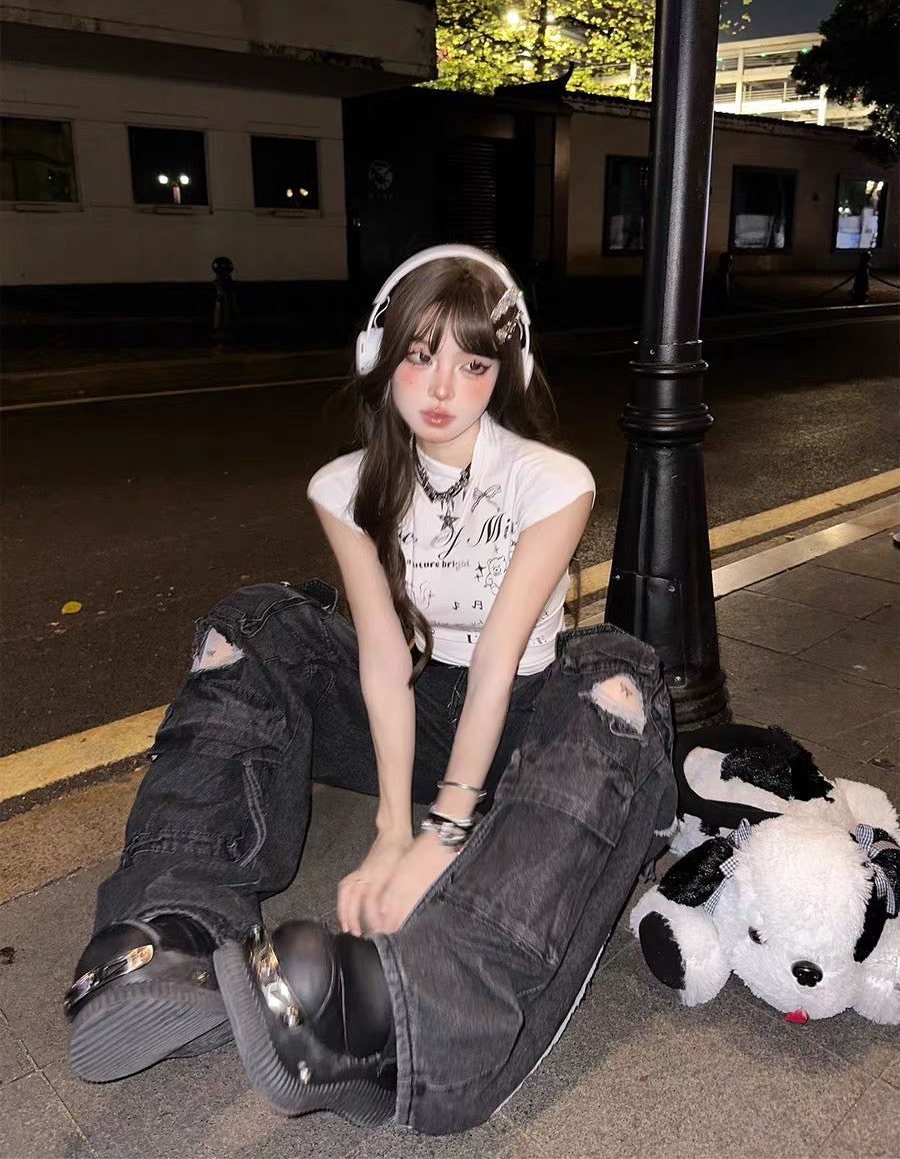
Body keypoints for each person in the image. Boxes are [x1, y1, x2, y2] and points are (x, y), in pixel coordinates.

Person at [64, 245, 677, 1134]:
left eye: (473, 365)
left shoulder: (552, 482)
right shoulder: (343, 487)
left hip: (528, 727)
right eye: (420, 356)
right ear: (379, 357)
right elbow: (384, 658)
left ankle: (414, 1011)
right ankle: (173, 930)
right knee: (258, 621)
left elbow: (499, 658)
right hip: (424, 712)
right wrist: (391, 829)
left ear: (505, 374)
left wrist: (441, 834)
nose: (443, 388)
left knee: (613, 685)